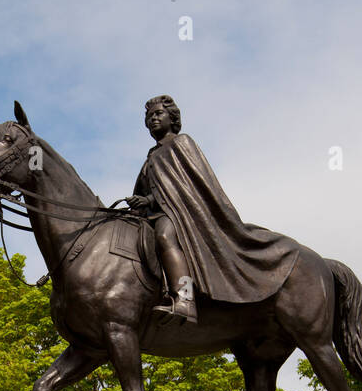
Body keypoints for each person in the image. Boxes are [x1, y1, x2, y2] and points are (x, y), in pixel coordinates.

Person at [127, 95, 299, 324]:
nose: (152, 119)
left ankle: (185, 299)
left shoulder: (181, 144)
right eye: (149, 117)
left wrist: (149, 200)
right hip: (154, 214)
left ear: (172, 118)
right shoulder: (151, 156)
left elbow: (188, 187)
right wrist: (138, 204)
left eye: (158, 114)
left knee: (165, 236)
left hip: (179, 214)